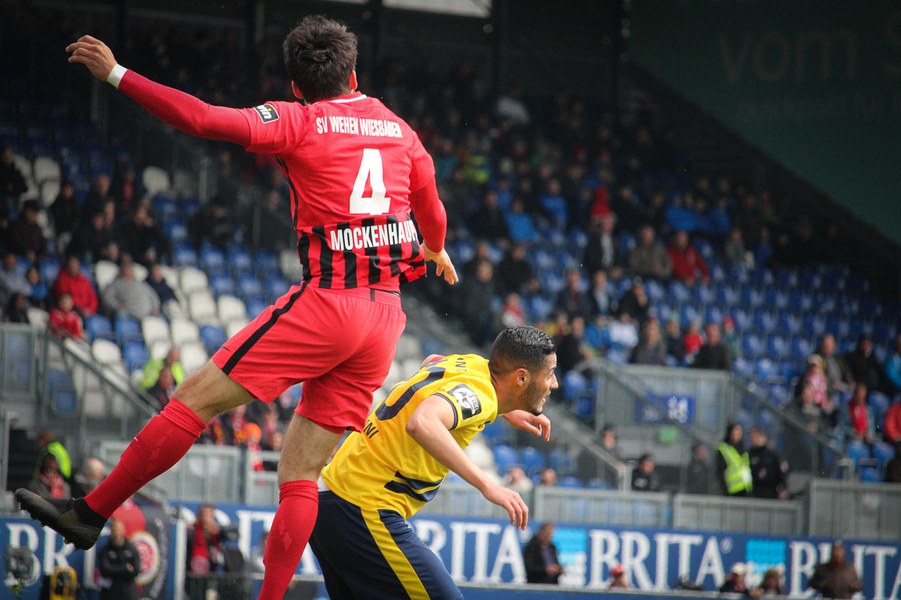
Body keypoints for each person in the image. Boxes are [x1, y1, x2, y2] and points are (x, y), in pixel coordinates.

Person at [16, 18, 457, 600]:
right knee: (301, 475)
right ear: (354, 75)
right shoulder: (399, 129)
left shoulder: (298, 120)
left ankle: (90, 512)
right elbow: (434, 216)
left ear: (296, 86)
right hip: (384, 320)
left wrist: (117, 73)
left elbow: (201, 118)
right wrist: (434, 249)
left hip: (330, 303)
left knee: (192, 401)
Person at [309, 326, 556, 598]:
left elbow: (432, 363)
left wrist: (505, 410)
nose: (554, 384)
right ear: (521, 378)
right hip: (361, 506)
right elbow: (423, 422)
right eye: (549, 374)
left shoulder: (473, 365)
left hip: (331, 498)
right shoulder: (482, 395)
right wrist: (487, 485)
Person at [97, 519, 140, 600]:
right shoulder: (105, 551)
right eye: (114, 530)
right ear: (111, 532)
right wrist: (125, 568)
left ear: (123, 531)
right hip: (110, 593)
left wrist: (114, 569)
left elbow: (136, 571)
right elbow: (105, 571)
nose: (116, 533)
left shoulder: (132, 550)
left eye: (118, 530)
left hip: (128, 593)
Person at [748, 427, 788, 499]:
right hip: (755, 491)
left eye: (755, 436)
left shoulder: (771, 454)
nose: (753, 439)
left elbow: (780, 472)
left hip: (771, 491)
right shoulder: (749, 454)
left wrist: (783, 488)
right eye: (752, 437)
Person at [717, 423, 752, 496]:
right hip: (731, 489)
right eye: (736, 430)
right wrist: (724, 488)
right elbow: (720, 470)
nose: (738, 433)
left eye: (740, 431)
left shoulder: (744, 448)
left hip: (746, 488)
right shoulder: (724, 448)